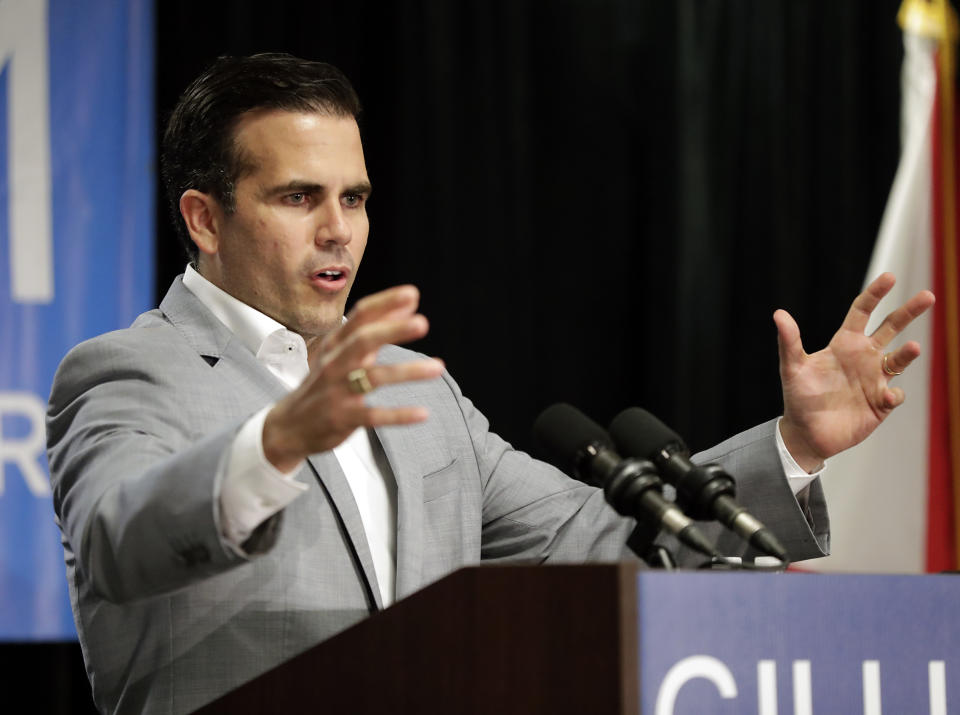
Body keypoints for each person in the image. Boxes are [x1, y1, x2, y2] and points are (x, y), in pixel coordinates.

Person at [46, 54, 934, 715]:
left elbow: (596, 532)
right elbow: (120, 536)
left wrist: (796, 444)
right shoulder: (128, 370)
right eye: (297, 197)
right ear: (205, 217)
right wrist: (275, 442)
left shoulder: (410, 386)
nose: (338, 232)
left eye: (353, 199)